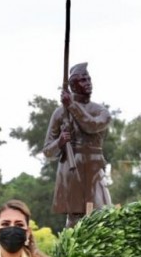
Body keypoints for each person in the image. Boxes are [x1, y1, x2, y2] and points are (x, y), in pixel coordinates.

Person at [43, 62, 112, 228]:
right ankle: (70, 251)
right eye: (82, 80)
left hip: (94, 168)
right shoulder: (60, 113)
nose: (88, 82)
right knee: (75, 221)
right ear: (73, 86)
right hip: (72, 170)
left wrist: (72, 106)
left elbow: (91, 126)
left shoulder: (100, 111)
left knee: (102, 214)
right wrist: (60, 141)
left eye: (88, 79)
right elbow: (47, 151)